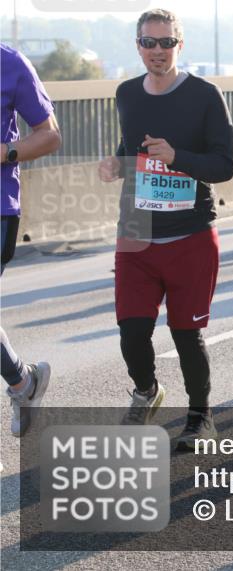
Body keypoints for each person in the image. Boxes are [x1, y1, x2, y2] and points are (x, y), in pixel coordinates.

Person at [98, 9, 233, 447]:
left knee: (185, 333)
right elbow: (130, 147)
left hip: (190, 231)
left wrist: (178, 157)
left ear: (181, 44)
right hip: (136, 228)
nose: (157, 51)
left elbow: (225, 166)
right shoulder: (125, 94)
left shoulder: (205, 96)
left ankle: (200, 415)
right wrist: (115, 164)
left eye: (166, 43)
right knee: (132, 331)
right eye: (148, 43)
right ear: (137, 45)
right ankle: (147, 390)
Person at [1, 43, 62, 436]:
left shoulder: (8, 62)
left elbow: (50, 136)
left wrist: (6, 152)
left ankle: (24, 382)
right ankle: (24, 382)